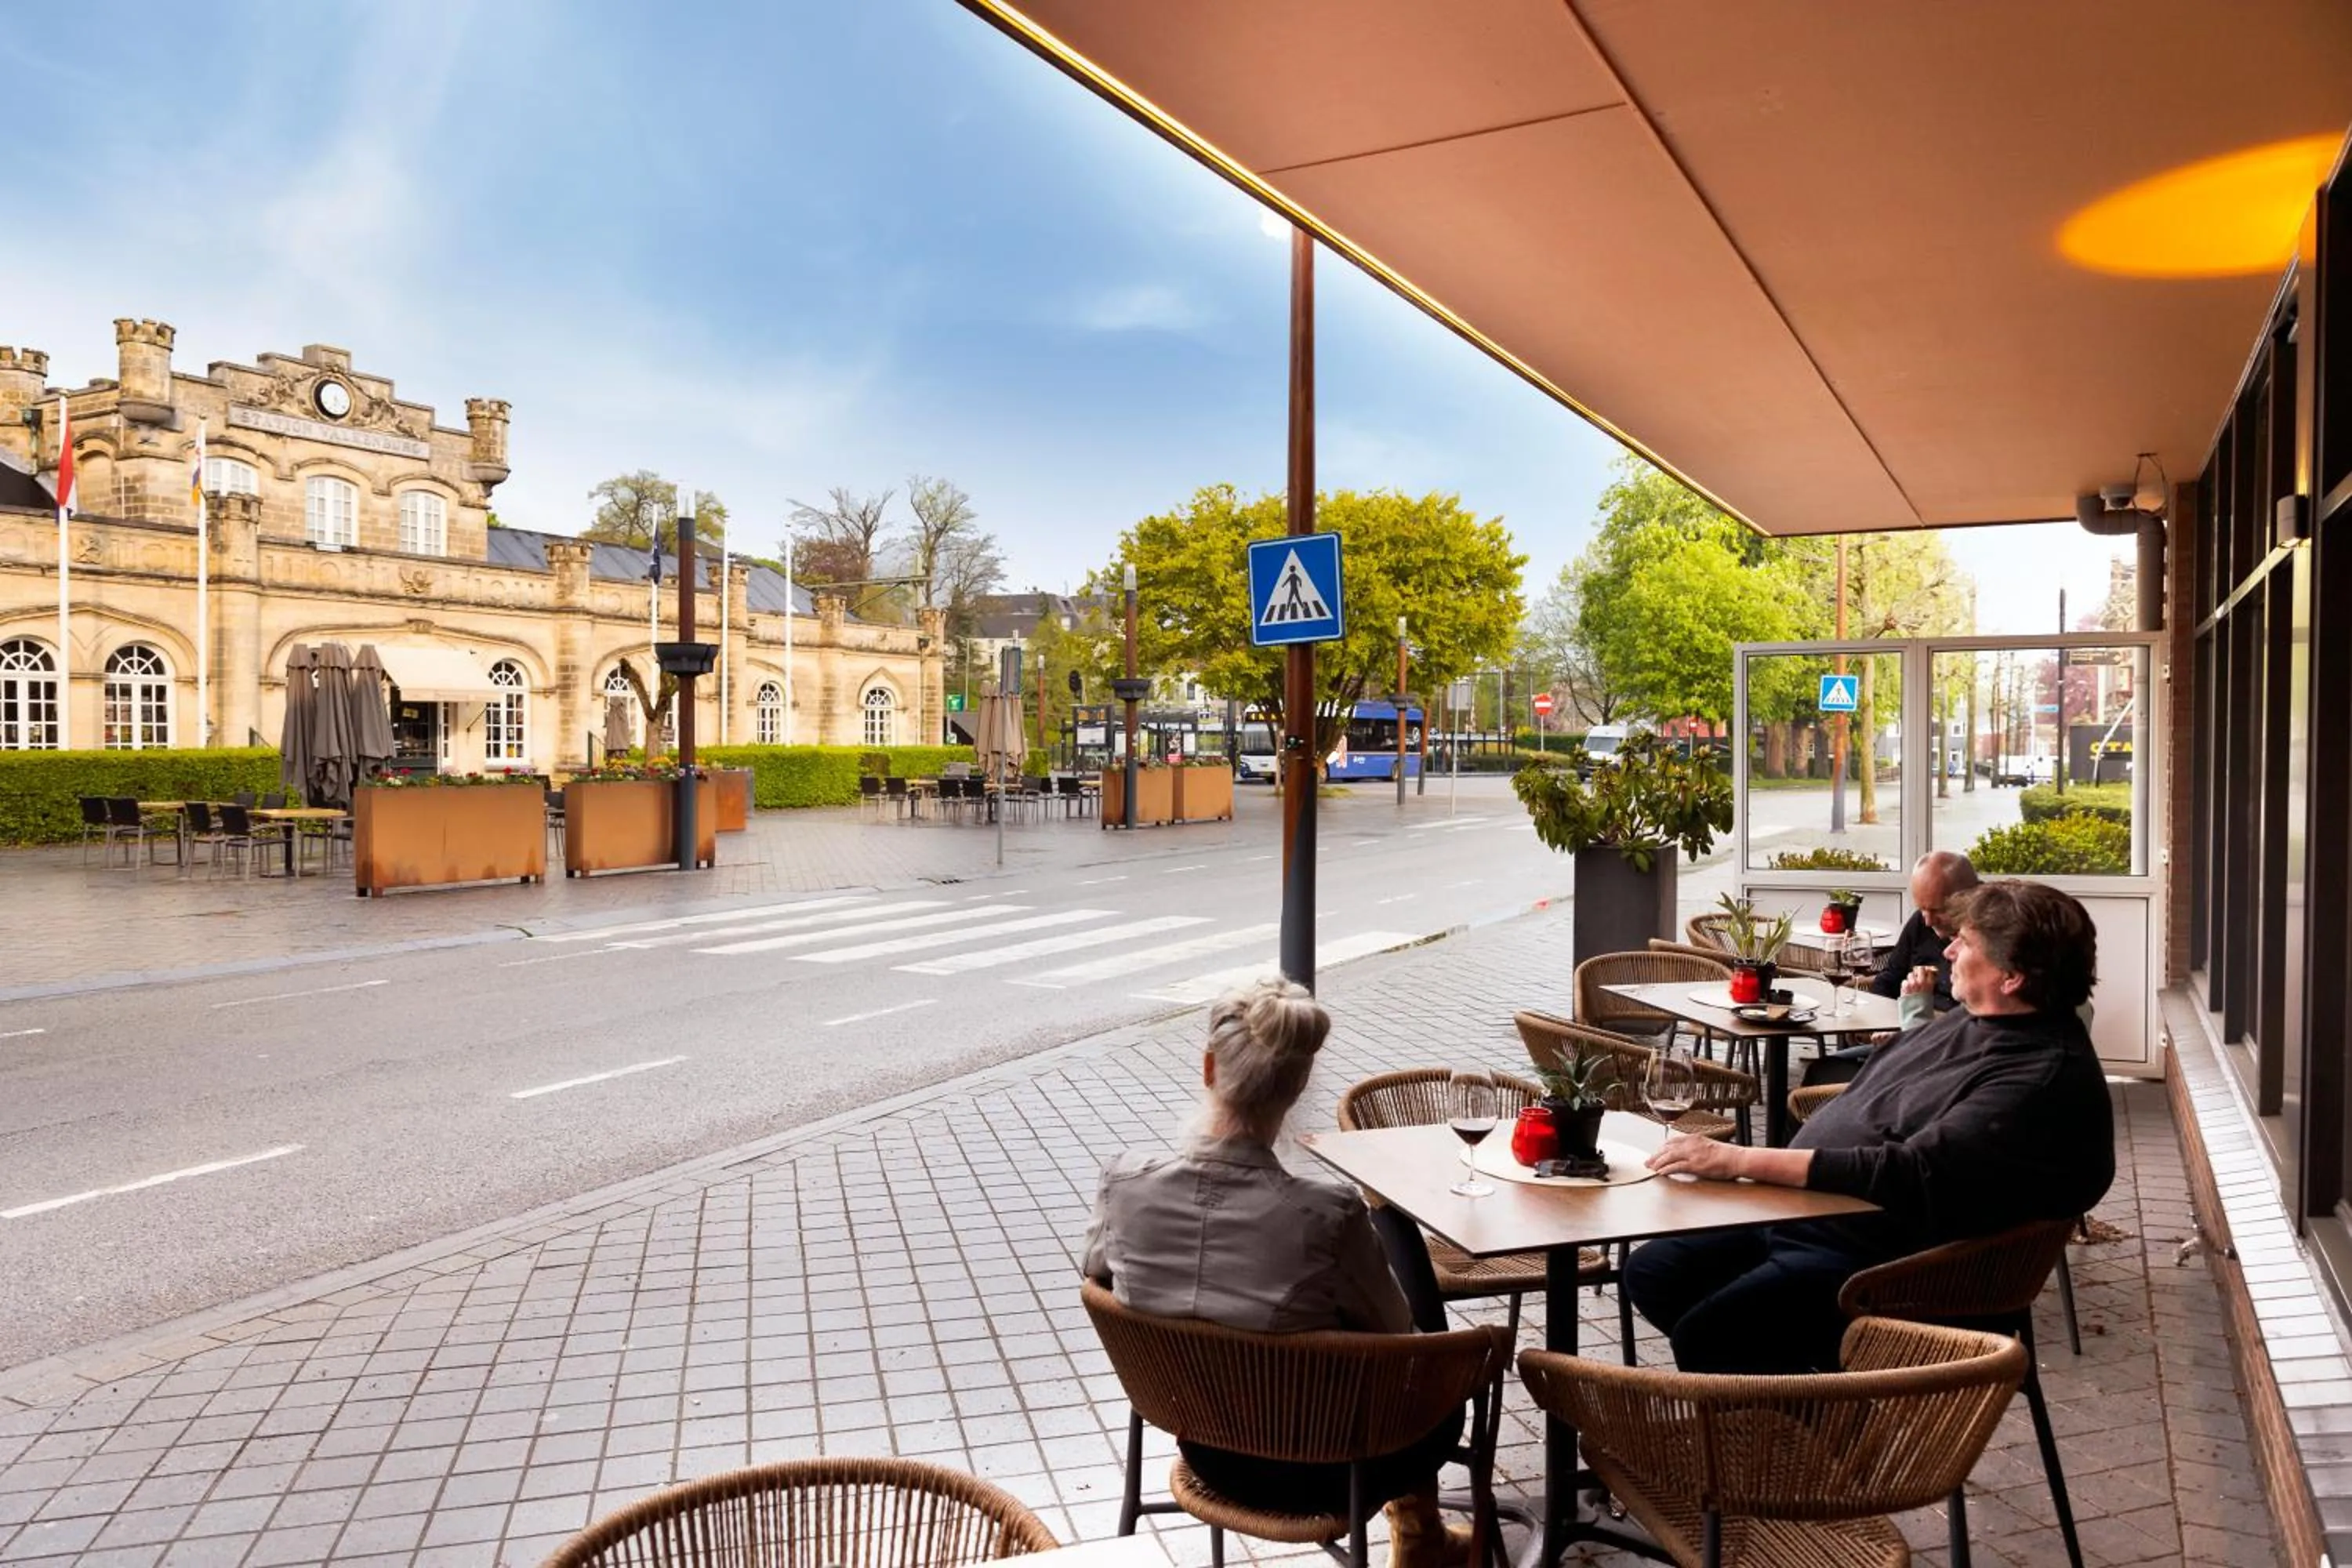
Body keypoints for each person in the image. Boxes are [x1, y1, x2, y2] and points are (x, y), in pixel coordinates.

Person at [1622, 879, 2114, 1375]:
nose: (1948, 951)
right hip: (1820, 1218)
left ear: (2011, 977)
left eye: (1965, 943)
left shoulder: (2040, 1074)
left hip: (1894, 1267)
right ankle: (1803, 1401)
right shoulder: (1977, 1020)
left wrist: (1740, 1160)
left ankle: (1810, 1410)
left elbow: (1912, 1171)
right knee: (1653, 1270)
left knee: (1711, 1334)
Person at [1080, 978, 1467, 1566]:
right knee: (1400, 1257)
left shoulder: (1125, 1185)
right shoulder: (1325, 1215)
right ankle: (1421, 1537)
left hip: (1205, 1448)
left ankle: (1422, 1538)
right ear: (1300, 1084)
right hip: (1335, 1465)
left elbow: (1098, 1276)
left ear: (1210, 1068)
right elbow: (1396, 1333)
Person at [1802, 849, 1980, 1087]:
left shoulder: (1988, 935)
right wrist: (1875, 1024)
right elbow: (1890, 977)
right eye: (1922, 909)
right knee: (1822, 1071)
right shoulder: (1921, 923)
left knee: (1836, 1079)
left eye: (1937, 910)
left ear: (1969, 896)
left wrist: (1911, 1024)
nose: (1928, 920)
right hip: (1907, 1036)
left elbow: (1972, 1023)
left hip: (1943, 1056)